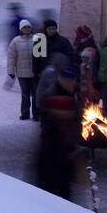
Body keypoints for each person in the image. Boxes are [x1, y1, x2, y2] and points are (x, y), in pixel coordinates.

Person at [34, 54, 80, 200]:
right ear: (65, 79)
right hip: (55, 162)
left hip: (57, 160)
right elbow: (62, 132)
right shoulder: (59, 101)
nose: (75, 84)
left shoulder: (66, 94)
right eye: (73, 81)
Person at [7, 18, 39, 121]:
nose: (27, 29)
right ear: (21, 29)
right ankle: (25, 113)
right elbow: (11, 57)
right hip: (22, 73)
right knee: (25, 94)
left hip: (35, 72)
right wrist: (11, 71)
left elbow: (42, 56)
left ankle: (36, 114)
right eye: (24, 27)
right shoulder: (15, 41)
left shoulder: (37, 39)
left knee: (35, 94)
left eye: (28, 27)